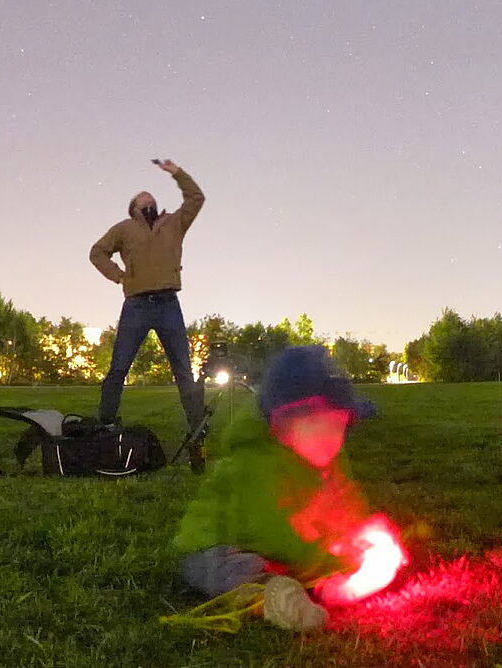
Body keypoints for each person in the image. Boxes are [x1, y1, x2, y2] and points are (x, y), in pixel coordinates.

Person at [172, 346, 397, 631]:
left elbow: (345, 499)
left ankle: (287, 583)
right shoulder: (257, 463)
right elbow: (272, 529)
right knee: (230, 570)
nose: (329, 438)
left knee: (295, 563)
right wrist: (328, 567)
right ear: (281, 422)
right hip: (218, 544)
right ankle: (268, 598)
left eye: (337, 426)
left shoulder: (327, 458)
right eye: (316, 424)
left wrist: (360, 533)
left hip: (281, 550)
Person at [89, 159, 206, 467]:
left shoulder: (174, 223)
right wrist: (117, 275)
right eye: (143, 199)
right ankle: (106, 424)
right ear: (134, 209)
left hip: (168, 304)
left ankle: (197, 430)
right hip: (137, 306)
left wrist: (177, 173)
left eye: (152, 198)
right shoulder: (124, 229)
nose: (149, 200)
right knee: (118, 367)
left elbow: (197, 199)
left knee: (184, 370)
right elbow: (97, 252)